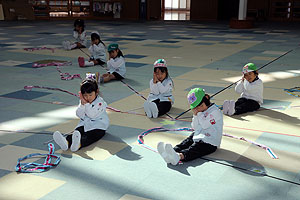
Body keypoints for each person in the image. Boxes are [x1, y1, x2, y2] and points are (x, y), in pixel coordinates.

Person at [157, 88, 223, 165]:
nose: (199, 109)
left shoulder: (215, 111)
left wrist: (198, 114)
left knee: (195, 149)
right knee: (187, 141)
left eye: (201, 106)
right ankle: (171, 152)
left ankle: (179, 156)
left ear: (207, 99)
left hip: (210, 141)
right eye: (196, 108)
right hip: (199, 134)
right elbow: (195, 127)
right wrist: (195, 116)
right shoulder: (199, 112)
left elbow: (204, 125)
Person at [53, 78, 109, 152]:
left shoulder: (100, 103)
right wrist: (82, 105)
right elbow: (79, 114)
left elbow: (92, 115)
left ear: (96, 92)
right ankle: (66, 143)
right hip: (85, 124)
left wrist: (86, 104)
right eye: (85, 95)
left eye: (90, 95)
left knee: (89, 136)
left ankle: (79, 144)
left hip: (98, 127)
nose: (88, 97)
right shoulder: (84, 101)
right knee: (77, 132)